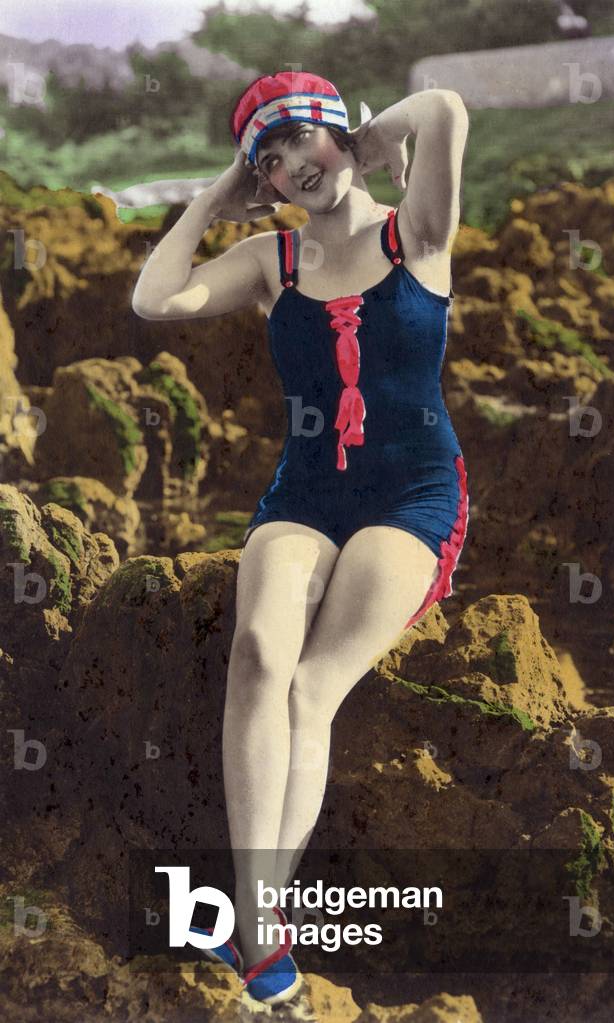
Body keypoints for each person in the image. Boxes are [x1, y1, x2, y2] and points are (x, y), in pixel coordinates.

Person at [132, 70, 470, 1006]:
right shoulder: (271, 262)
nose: (290, 170)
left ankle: (264, 911)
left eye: (301, 142)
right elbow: (155, 300)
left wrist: (373, 142)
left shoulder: (417, 232)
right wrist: (212, 197)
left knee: (312, 685)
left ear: (339, 133)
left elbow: (441, 107)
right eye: (268, 164)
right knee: (256, 651)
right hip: (305, 494)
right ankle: (254, 912)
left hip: (411, 494)